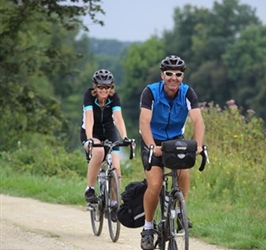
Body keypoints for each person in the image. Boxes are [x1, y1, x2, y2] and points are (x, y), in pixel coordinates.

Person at [139, 55, 205, 249]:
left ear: (182, 76)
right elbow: (144, 122)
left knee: (184, 171)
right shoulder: (150, 92)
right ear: (162, 75)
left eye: (178, 74)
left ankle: (178, 212)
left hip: (176, 140)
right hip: (153, 141)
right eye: (169, 74)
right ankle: (148, 228)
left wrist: (198, 145)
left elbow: (198, 121)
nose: (173, 78)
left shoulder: (187, 93)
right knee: (155, 183)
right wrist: (152, 146)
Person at [80, 69, 130, 208]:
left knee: (116, 168)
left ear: (111, 87)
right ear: (95, 87)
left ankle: (114, 203)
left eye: (107, 87)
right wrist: (90, 139)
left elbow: (118, 118)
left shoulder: (114, 98)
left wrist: (125, 136)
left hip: (109, 132)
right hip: (91, 132)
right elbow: (89, 118)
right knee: (99, 152)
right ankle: (90, 189)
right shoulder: (89, 96)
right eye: (101, 87)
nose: (104, 90)